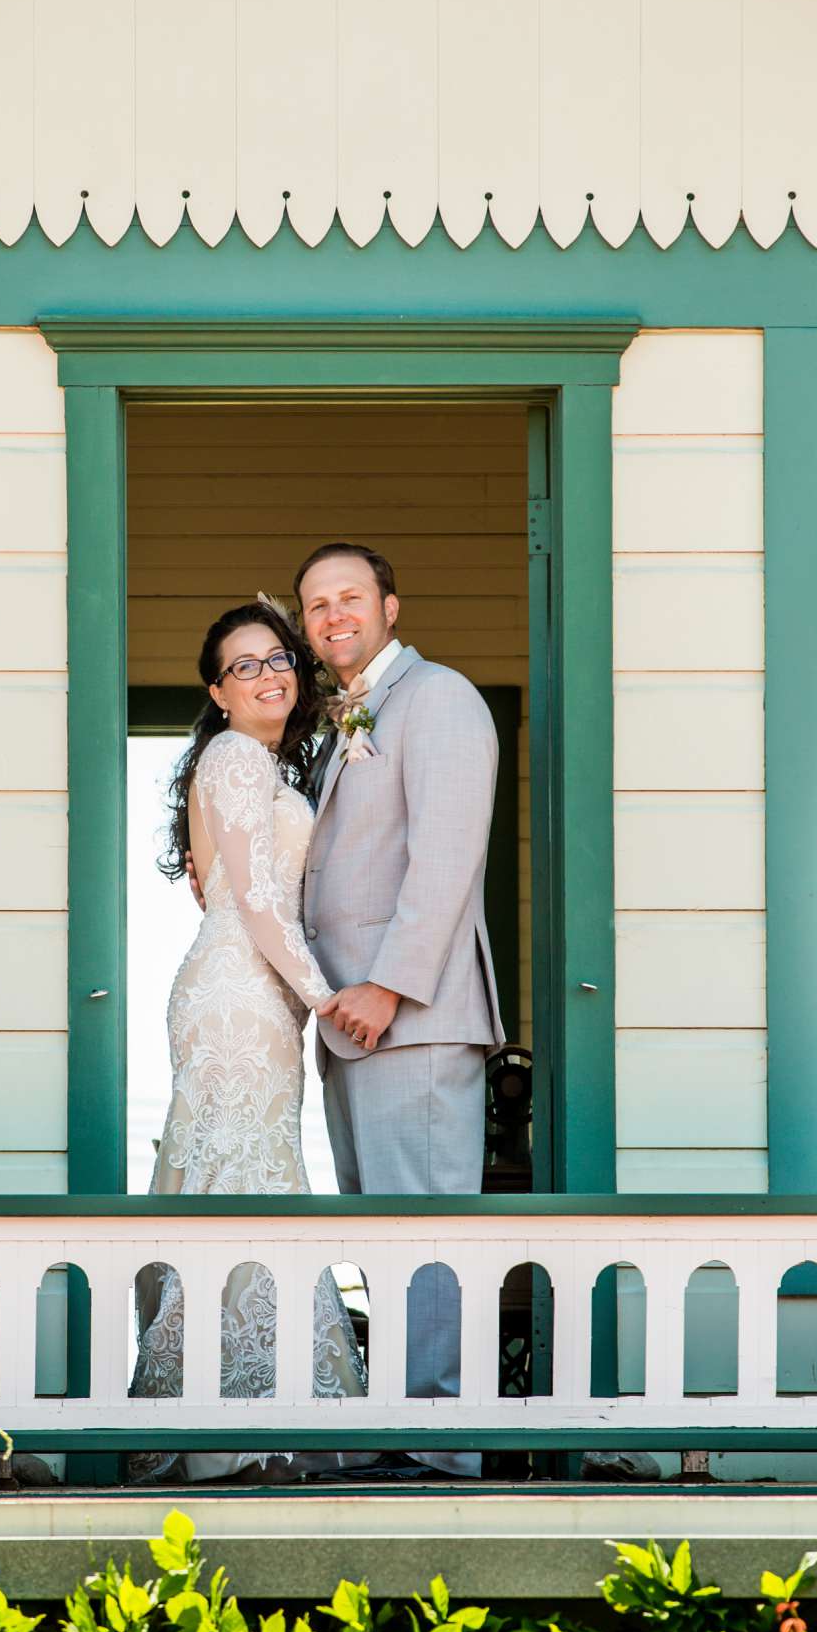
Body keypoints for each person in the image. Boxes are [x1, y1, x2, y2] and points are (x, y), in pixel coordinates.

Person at [130, 600, 366, 1482]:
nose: (269, 675)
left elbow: (216, 890)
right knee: (242, 1179)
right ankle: (231, 1419)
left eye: (280, 659)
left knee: (252, 1173)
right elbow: (256, 902)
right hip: (238, 994)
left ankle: (248, 1402)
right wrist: (323, 994)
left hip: (246, 985)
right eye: (245, 665)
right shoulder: (233, 757)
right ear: (215, 692)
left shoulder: (257, 763)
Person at [298, 543, 503, 1478]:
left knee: (426, 1231)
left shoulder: (441, 697)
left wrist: (388, 983)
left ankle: (441, 1447)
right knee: (381, 1234)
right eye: (315, 605)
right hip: (351, 1026)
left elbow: (448, 856)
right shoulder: (341, 715)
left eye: (349, 597)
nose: (333, 615)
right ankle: (398, 1425)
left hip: (410, 1014)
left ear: (389, 603)